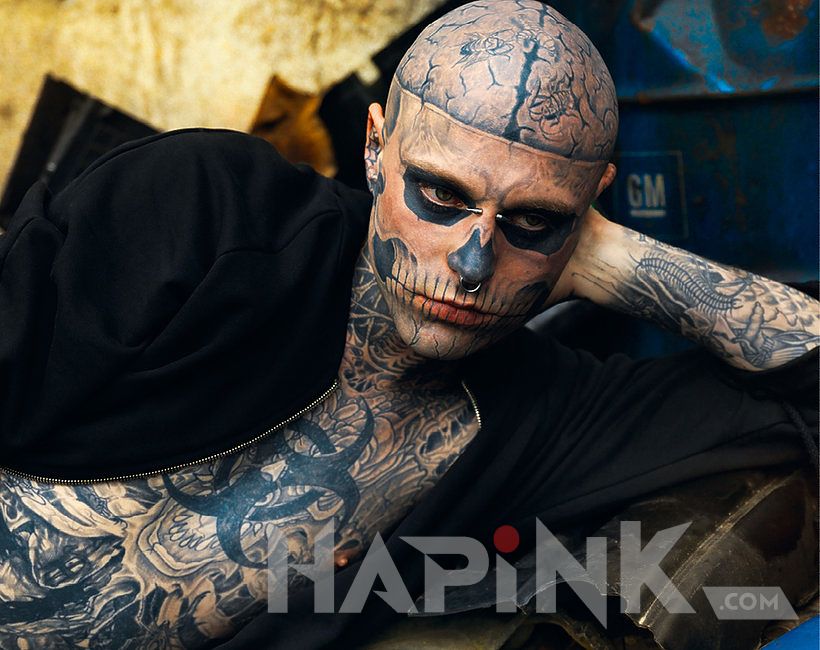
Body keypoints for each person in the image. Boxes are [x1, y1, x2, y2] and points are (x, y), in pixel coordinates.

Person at [0, 1, 816, 648]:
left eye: (532, 220)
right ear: (374, 148)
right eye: (441, 195)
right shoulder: (208, 210)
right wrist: (543, 226)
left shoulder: (544, 415)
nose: (473, 262)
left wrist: (612, 256)